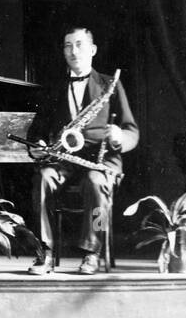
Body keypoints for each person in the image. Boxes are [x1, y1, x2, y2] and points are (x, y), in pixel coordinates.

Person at [26, 26, 138, 275]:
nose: (73, 51)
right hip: (64, 159)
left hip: (102, 160)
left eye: (79, 44)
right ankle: (44, 251)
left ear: (93, 49)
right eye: (67, 45)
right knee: (44, 178)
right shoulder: (54, 87)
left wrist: (119, 137)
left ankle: (92, 252)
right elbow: (36, 132)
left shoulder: (111, 85)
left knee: (96, 182)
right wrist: (41, 146)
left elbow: (132, 131)